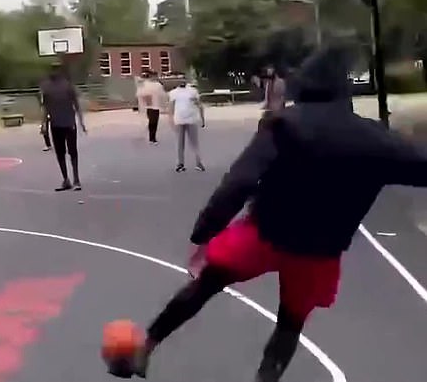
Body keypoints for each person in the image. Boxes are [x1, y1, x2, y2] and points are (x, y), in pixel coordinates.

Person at [106, 44, 427, 382]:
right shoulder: (378, 140)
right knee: (290, 323)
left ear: (303, 87)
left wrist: (205, 233)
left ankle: (147, 346)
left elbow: (239, 182)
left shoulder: (283, 126)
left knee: (206, 284)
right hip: (318, 253)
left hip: (264, 236)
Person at [40, 63, 86, 191]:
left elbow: (76, 105)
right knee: (61, 152)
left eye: (56, 70)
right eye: (52, 70)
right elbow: (46, 107)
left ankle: (76, 179)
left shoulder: (67, 86)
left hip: (68, 122)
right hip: (57, 123)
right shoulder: (48, 88)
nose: (53, 72)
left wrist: (81, 121)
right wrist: (44, 123)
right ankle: (67, 179)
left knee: (72, 151)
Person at [168, 78, 205, 172]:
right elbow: (171, 107)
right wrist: (202, 118)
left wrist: (202, 118)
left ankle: (190, 163)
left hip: (186, 119)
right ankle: (188, 163)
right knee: (187, 143)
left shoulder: (190, 91)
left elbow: (199, 105)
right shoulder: (176, 92)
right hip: (184, 119)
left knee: (186, 143)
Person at [136, 71, 167, 144]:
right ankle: (152, 137)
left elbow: (139, 94)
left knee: (152, 121)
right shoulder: (157, 85)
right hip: (154, 106)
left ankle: (152, 137)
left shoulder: (144, 85)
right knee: (154, 122)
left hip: (150, 106)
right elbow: (163, 95)